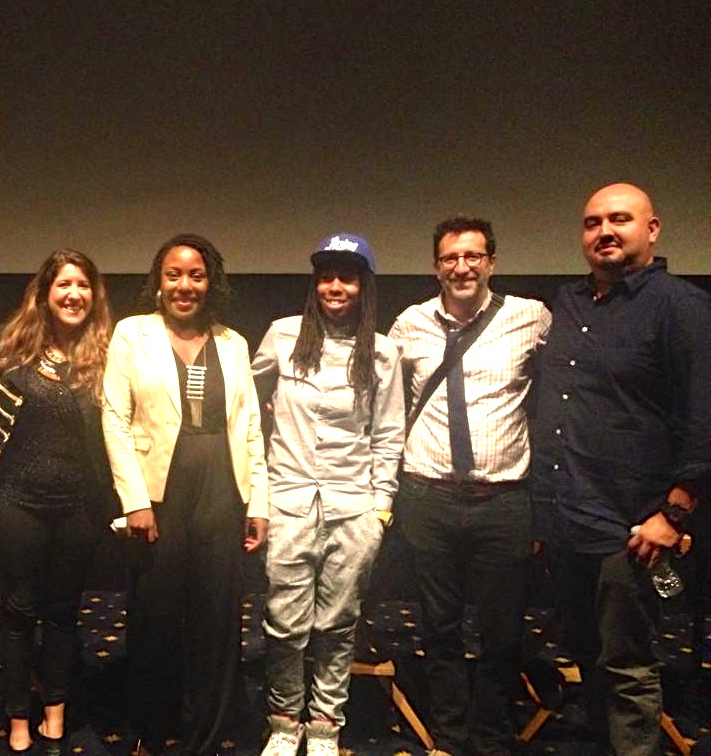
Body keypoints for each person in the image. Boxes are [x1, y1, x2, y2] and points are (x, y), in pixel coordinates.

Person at [532, 183, 711, 755]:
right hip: (566, 518)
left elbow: (702, 419)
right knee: (585, 655)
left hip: (631, 528)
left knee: (629, 668)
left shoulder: (681, 307)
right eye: (592, 222)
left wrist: (674, 515)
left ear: (651, 229)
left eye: (619, 219)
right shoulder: (571, 304)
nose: (604, 231)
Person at [388, 216, 551, 756]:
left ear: (491, 262)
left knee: (502, 634)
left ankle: (492, 739)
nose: (462, 266)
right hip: (427, 498)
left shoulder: (532, 318)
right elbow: (381, 398)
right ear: (436, 265)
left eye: (473, 256)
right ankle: (451, 740)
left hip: (502, 502)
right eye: (451, 257)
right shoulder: (409, 324)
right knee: (439, 628)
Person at [102, 233, 269, 756]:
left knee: (218, 617)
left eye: (195, 275)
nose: (184, 285)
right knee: (155, 614)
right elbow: (115, 417)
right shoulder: (131, 335)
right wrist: (134, 500)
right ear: (158, 282)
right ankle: (153, 728)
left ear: (210, 282)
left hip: (223, 486)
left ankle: (206, 733)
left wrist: (258, 502)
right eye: (174, 274)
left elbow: (250, 427)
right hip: (159, 492)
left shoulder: (234, 342)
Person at [252, 234, 404, 756]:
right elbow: (246, 404)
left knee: (337, 625)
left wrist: (381, 509)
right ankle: (283, 720)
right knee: (284, 623)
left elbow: (388, 435)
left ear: (363, 286)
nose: (335, 287)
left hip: (353, 506)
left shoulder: (383, 352)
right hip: (289, 502)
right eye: (326, 276)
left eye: (347, 277)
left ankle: (324, 726)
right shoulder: (282, 335)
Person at [0, 249, 116, 755]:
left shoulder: (108, 357)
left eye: (83, 285)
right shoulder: (12, 353)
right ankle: (18, 718)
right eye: (63, 285)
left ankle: (54, 714)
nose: (73, 294)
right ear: (45, 293)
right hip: (17, 504)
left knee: (62, 614)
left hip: (79, 507)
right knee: (17, 612)